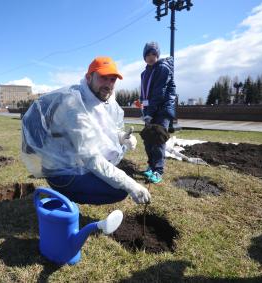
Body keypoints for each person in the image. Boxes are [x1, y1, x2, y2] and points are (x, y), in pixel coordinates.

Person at [21, 56, 151, 205]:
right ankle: (65, 197)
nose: (109, 85)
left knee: (113, 177)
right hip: (62, 172)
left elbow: (102, 129)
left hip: (76, 162)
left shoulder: (94, 97)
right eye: (103, 78)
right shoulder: (74, 106)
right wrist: (130, 184)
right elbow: (92, 158)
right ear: (89, 77)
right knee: (119, 189)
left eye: (112, 79)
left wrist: (120, 136)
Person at [140, 41, 176, 184]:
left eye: (154, 54)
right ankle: (151, 165)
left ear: (158, 55)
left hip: (162, 110)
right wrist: (144, 110)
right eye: (148, 54)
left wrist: (151, 111)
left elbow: (158, 93)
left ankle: (158, 170)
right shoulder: (144, 73)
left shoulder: (162, 68)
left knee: (158, 140)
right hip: (150, 109)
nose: (151, 57)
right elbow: (144, 94)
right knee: (148, 139)